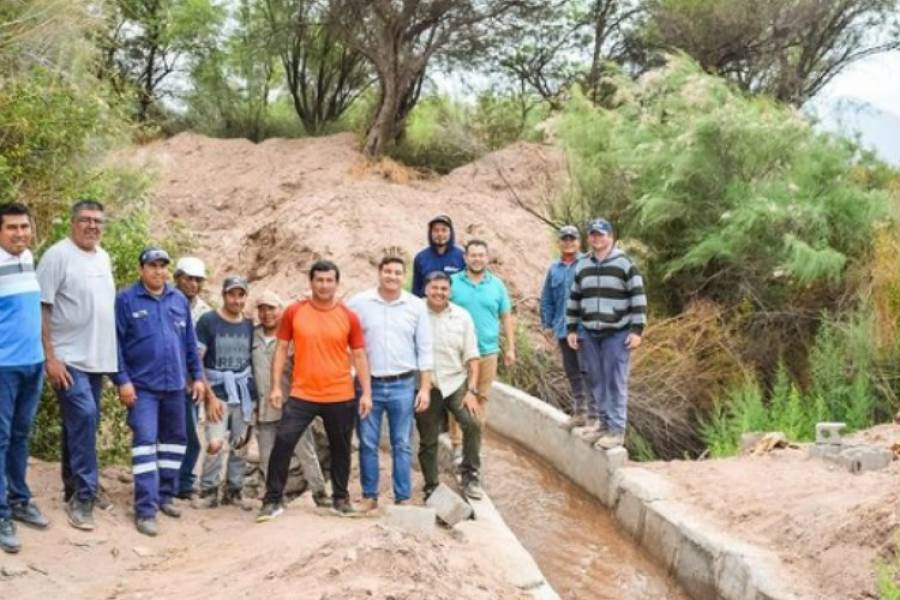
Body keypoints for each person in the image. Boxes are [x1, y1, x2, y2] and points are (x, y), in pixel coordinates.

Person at [257, 260, 372, 521]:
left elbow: (360, 355)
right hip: (302, 394)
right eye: (319, 280)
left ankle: (340, 500)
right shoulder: (294, 312)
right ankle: (272, 500)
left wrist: (366, 392)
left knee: (341, 448)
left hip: (340, 394)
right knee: (283, 442)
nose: (324, 285)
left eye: (329, 280)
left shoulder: (348, 316)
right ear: (311, 282)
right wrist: (276, 386)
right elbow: (281, 349)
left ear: (336, 283)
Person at [112, 248, 205, 536]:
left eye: (163, 266)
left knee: (175, 442)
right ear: (141, 269)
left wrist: (198, 377)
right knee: (145, 444)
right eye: (152, 266)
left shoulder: (178, 300)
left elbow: (190, 344)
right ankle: (145, 509)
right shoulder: (126, 300)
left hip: (175, 386)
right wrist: (122, 380)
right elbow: (114, 344)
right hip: (142, 389)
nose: (158, 271)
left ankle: (166, 495)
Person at [37, 199, 117, 531]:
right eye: (85, 220)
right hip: (68, 359)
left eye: (98, 221)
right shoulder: (57, 256)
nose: (92, 226)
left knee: (83, 423)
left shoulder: (103, 256)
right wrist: (50, 358)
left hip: (96, 359)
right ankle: (84, 497)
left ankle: (74, 487)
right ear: (73, 223)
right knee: (83, 416)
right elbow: (41, 308)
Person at [349, 256, 433, 511]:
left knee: (402, 443)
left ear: (403, 276)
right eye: (388, 272)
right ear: (379, 273)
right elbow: (343, 335)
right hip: (368, 385)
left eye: (398, 273)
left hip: (402, 384)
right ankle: (369, 496)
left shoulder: (416, 306)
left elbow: (425, 348)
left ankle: (402, 497)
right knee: (367, 442)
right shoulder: (359, 303)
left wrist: (426, 387)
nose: (392, 277)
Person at [566, 218, 646, 449]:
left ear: (610, 237)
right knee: (596, 380)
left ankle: (616, 430)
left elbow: (638, 297)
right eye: (593, 235)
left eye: (601, 234)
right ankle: (602, 424)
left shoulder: (624, 263)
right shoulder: (583, 265)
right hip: (590, 332)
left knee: (615, 381)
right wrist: (572, 328)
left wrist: (637, 329)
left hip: (617, 333)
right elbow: (575, 299)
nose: (596, 238)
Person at [0, 203, 48, 553]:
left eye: (24, 227)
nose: (19, 234)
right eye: (12, 228)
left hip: (33, 364)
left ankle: (19, 500)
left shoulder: (29, 257)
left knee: (20, 436)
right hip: (3, 367)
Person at [251, 290, 329, 507]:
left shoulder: (294, 336)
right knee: (267, 457)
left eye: (271, 308)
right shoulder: (252, 336)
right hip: (265, 408)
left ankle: (320, 493)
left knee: (305, 452)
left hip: (292, 407)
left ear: (281, 310)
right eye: (262, 309)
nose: (267, 314)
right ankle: (274, 497)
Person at [415, 271, 483, 500]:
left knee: (473, 423)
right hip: (427, 386)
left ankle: (470, 474)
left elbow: (473, 357)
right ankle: (431, 485)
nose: (439, 293)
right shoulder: (414, 313)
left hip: (455, 383)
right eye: (434, 288)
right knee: (428, 438)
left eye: (444, 289)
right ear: (426, 289)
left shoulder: (462, 317)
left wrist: (472, 390)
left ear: (450, 291)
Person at [449, 240, 515, 461]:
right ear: (465, 258)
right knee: (457, 398)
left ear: (487, 258)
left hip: (488, 352)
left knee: (481, 398)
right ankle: (457, 446)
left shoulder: (497, 285)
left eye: (481, 255)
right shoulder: (453, 282)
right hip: (458, 353)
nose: (477, 259)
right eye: (473, 255)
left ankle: (473, 446)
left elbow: (506, 317)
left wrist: (510, 348)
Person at [196, 276, 255, 509]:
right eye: (232, 294)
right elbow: (197, 361)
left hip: (244, 393)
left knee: (240, 443)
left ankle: (234, 490)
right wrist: (209, 397)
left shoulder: (249, 325)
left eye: (241, 295)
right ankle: (208, 490)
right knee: (215, 443)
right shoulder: (208, 321)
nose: (236, 300)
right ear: (224, 295)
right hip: (217, 392)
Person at [540, 226, 595, 433]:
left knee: (587, 370)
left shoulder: (588, 263)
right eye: (565, 239)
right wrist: (547, 324)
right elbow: (547, 298)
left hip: (585, 328)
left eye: (572, 239)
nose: (569, 242)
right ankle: (579, 412)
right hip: (562, 328)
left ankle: (593, 415)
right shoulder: (554, 269)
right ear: (559, 242)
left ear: (579, 243)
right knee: (572, 371)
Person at [172, 256, 212, 500]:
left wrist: (197, 379)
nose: (193, 284)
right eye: (189, 278)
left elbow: (200, 351)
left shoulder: (204, 312)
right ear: (178, 278)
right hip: (165, 378)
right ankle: (168, 482)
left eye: (198, 280)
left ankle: (184, 484)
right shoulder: (164, 300)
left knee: (189, 434)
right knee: (170, 433)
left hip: (192, 381)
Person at [411, 214, 465, 298]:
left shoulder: (462, 257)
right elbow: (416, 291)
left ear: (451, 232)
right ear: (430, 233)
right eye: (436, 230)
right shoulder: (421, 258)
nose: (440, 234)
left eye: (444, 230)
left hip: (453, 307)